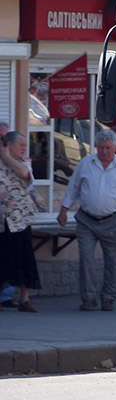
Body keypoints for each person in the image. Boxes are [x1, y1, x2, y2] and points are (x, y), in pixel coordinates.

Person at [57, 129, 116, 311]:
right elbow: (73, 188)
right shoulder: (86, 164)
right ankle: (88, 298)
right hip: (86, 220)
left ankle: (109, 297)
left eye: (108, 148)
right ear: (96, 147)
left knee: (113, 261)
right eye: (101, 147)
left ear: (115, 148)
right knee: (86, 258)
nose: (104, 151)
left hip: (113, 221)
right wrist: (63, 210)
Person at [0, 131, 42, 312]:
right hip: (3, 219)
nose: (25, 149)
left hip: (21, 219)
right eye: (21, 145)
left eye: (26, 145)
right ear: (10, 144)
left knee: (24, 258)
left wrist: (5, 155)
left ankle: (25, 299)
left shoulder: (24, 163)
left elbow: (24, 173)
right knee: (3, 258)